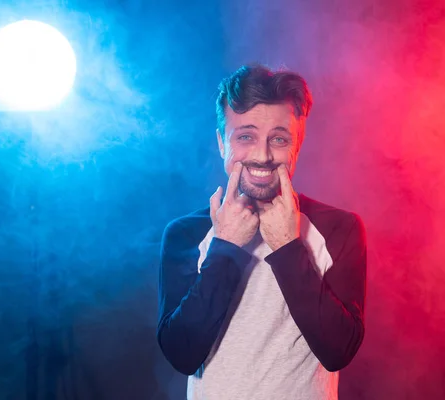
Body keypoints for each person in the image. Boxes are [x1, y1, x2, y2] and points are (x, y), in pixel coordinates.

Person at [157, 64, 367, 400]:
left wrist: (287, 246)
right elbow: (182, 354)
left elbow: (338, 351)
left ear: (298, 143)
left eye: (279, 139)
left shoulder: (338, 228)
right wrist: (225, 246)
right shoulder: (186, 234)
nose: (262, 155)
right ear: (221, 143)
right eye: (245, 136)